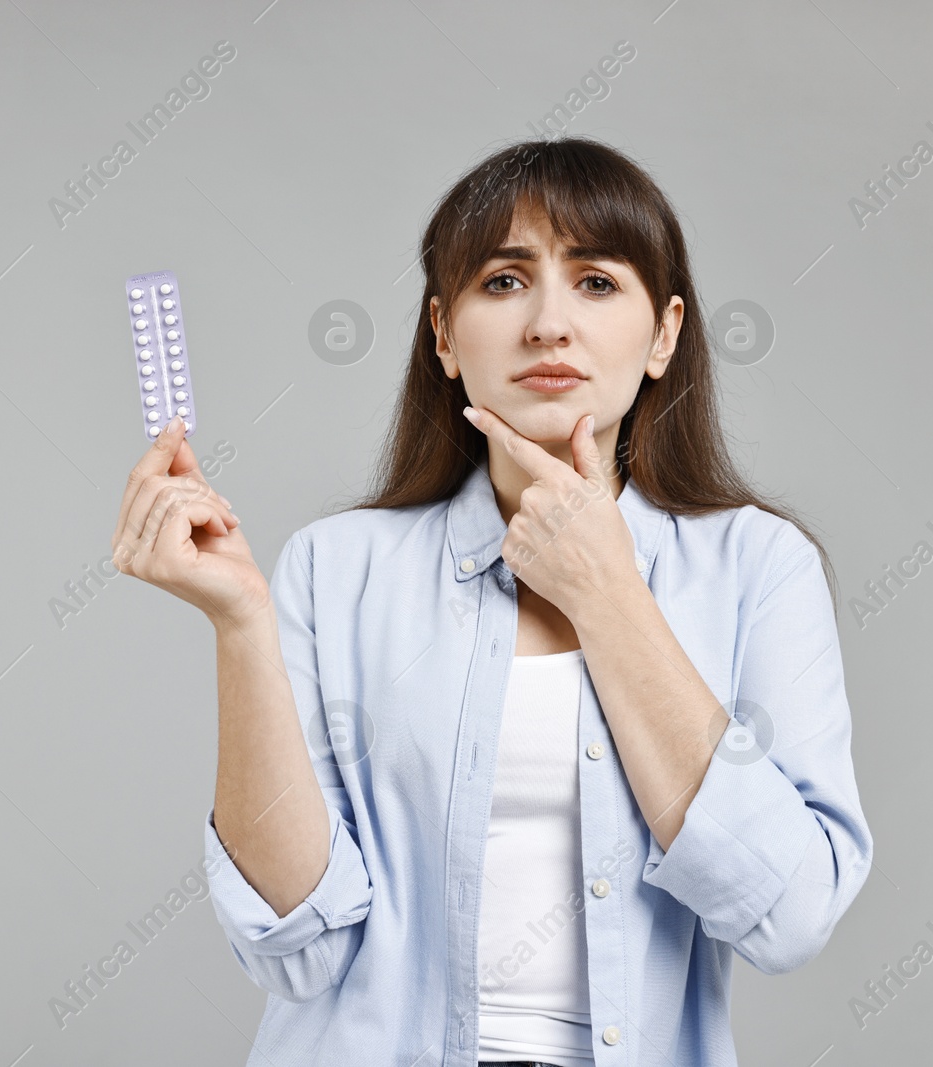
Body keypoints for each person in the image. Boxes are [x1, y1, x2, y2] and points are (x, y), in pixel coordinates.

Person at [111, 136, 874, 1067]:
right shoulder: (334, 567)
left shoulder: (759, 567)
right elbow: (299, 947)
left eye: (597, 281)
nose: (550, 324)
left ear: (665, 333)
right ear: (442, 333)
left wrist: (606, 593)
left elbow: (790, 914)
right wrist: (239, 622)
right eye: (505, 282)